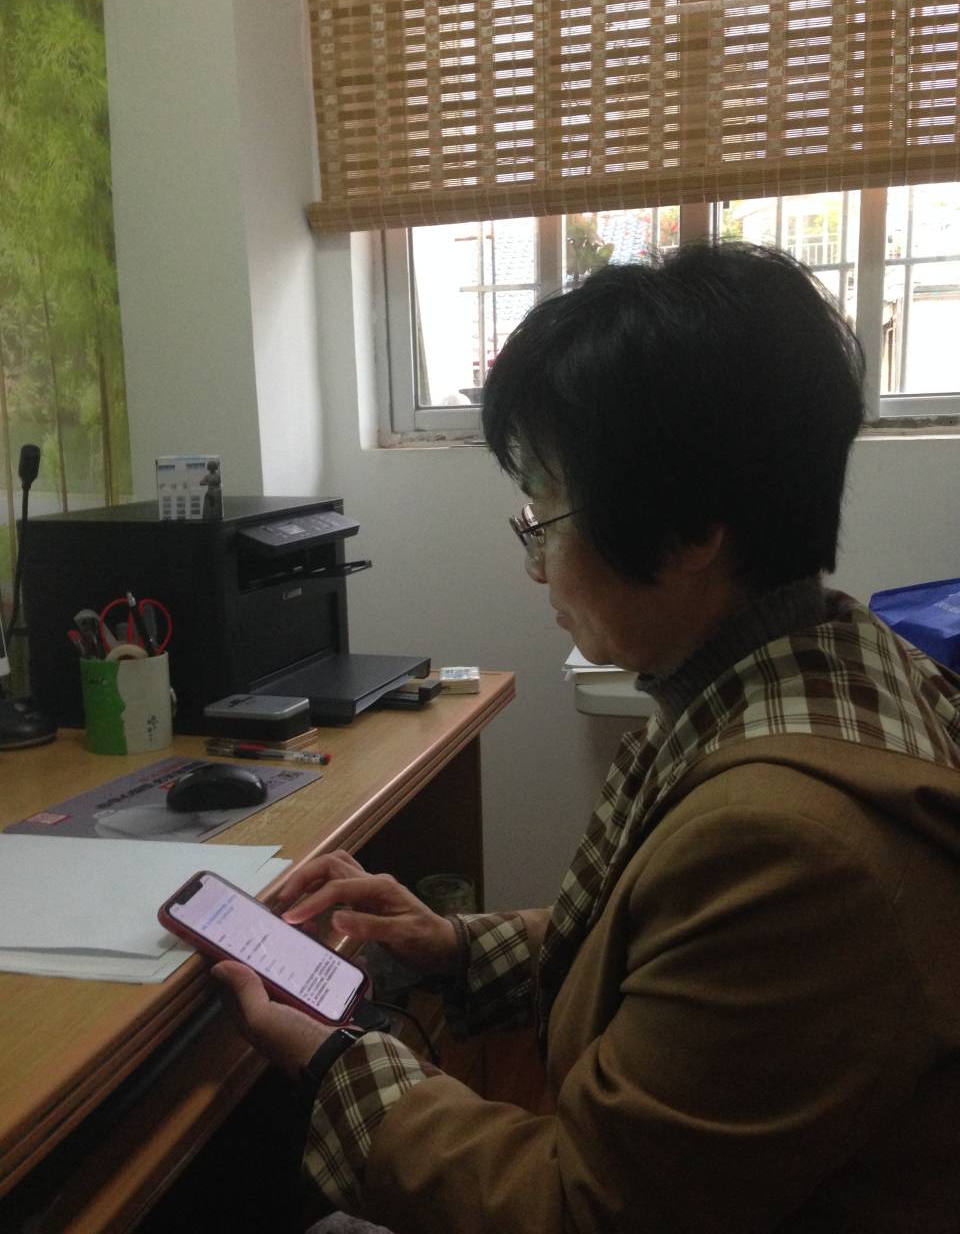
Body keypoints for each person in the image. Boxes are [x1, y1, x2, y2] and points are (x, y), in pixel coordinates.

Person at [214, 242, 960, 1233]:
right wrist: (452, 948)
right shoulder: (821, 663)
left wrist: (340, 1068)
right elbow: (665, 954)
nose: (536, 566)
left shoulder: (788, 847)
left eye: (546, 515)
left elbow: (582, 1209)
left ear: (693, 529)